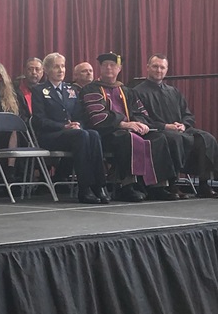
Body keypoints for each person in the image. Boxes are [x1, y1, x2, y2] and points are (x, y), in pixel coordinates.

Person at [80, 52, 177, 201]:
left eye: (113, 65)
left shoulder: (127, 91)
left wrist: (140, 124)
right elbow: (97, 116)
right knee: (127, 137)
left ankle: (158, 186)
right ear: (100, 67)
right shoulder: (91, 89)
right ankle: (126, 186)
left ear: (119, 69)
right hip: (106, 134)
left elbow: (141, 113)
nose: (109, 68)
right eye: (105, 65)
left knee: (159, 138)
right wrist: (124, 124)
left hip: (130, 131)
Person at [134, 54, 218, 198]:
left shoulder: (173, 91)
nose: (158, 70)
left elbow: (188, 115)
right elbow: (140, 118)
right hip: (157, 131)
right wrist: (166, 126)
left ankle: (204, 184)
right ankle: (172, 184)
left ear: (167, 70)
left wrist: (183, 125)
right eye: (155, 66)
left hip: (180, 130)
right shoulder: (137, 92)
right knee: (174, 139)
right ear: (147, 68)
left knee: (206, 139)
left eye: (162, 67)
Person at [32, 53, 109, 204]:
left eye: (62, 66)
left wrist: (78, 124)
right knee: (82, 136)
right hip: (50, 135)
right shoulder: (39, 90)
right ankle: (84, 188)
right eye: (56, 66)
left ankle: (99, 186)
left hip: (73, 133)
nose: (61, 70)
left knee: (93, 134)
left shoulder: (70, 89)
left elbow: (80, 115)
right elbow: (39, 120)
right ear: (46, 70)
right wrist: (64, 126)